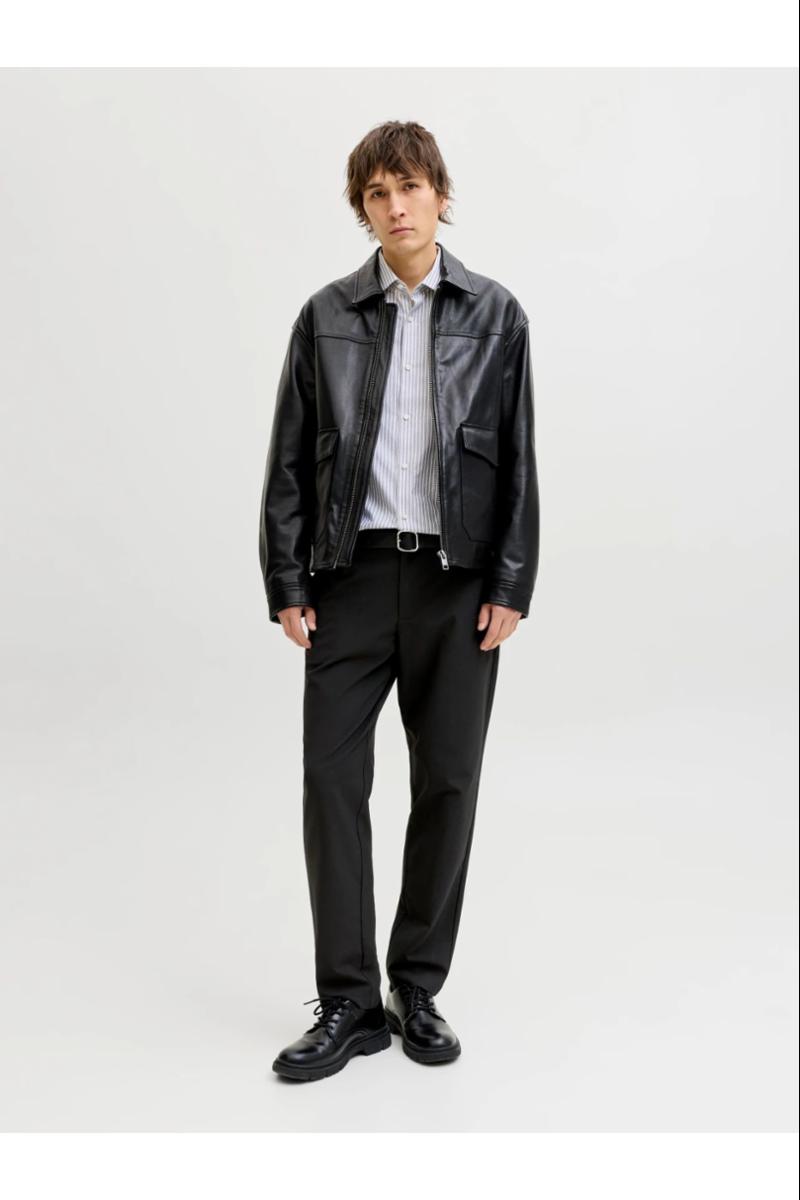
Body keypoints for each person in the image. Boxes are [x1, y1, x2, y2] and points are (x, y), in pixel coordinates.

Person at [259, 120, 539, 1082]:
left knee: (448, 782)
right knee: (331, 783)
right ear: (363, 209)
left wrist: (511, 583)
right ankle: (349, 1002)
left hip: (457, 587)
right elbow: (288, 460)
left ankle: (416, 987)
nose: (396, 205)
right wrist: (287, 580)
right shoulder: (325, 315)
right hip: (349, 578)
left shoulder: (496, 316)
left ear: (441, 196)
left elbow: (519, 460)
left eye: (410, 186)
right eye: (377, 193)